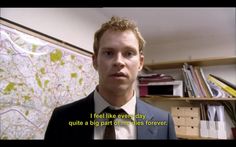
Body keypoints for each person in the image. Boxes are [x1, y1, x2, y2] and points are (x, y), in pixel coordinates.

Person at [44, 16, 176, 140]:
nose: (119, 62)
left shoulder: (164, 122)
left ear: (140, 62)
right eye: (108, 53)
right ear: (95, 61)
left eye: (129, 53)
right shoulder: (61, 118)